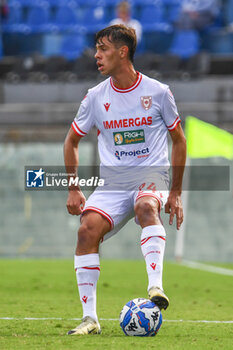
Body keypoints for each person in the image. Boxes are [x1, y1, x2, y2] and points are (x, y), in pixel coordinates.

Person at [64, 24, 186, 335]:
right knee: (86, 231)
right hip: (113, 182)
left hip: (150, 174)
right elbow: (71, 141)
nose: (97, 55)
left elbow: (179, 140)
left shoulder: (159, 92)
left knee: (147, 207)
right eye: (96, 49)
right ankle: (90, 319)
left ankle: (155, 289)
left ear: (123, 52)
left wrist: (175, 193)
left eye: (103, 49)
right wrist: (74, 188)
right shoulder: (94, 97)